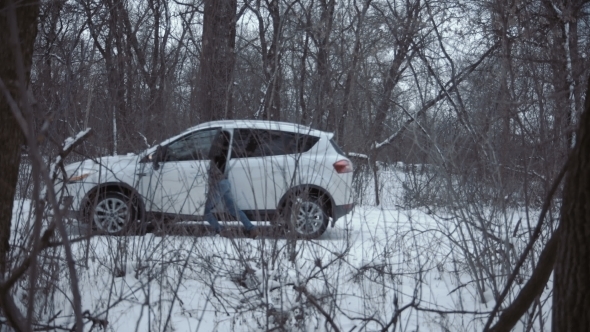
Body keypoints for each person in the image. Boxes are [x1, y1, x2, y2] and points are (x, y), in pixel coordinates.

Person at [204, 130, 259, 238]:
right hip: (225, 183)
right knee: (234, 210)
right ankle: (251, 228)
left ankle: (221, 229)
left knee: (205, 210)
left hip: (219, 185)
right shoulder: (213, 160)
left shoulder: (205, 161)